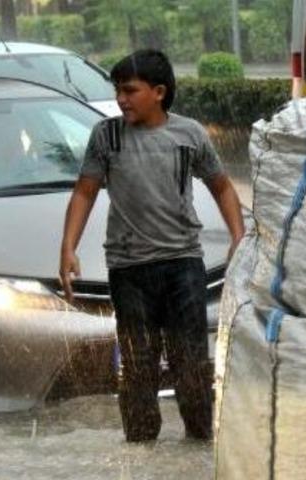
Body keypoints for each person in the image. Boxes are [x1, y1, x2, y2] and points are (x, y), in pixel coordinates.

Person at [58, 49, 245, 442]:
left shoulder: (189, 134)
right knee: (138, 364)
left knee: (190, 362)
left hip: (183, 265)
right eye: (118, 91)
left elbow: (223, 186)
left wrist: (237, 237)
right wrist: (68, 248)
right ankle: (141, 451)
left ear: (158, 92)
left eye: (130, 91)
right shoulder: (106, 136)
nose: (121, 99)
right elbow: (84, 192)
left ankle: (201, 443)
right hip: (129, 269)